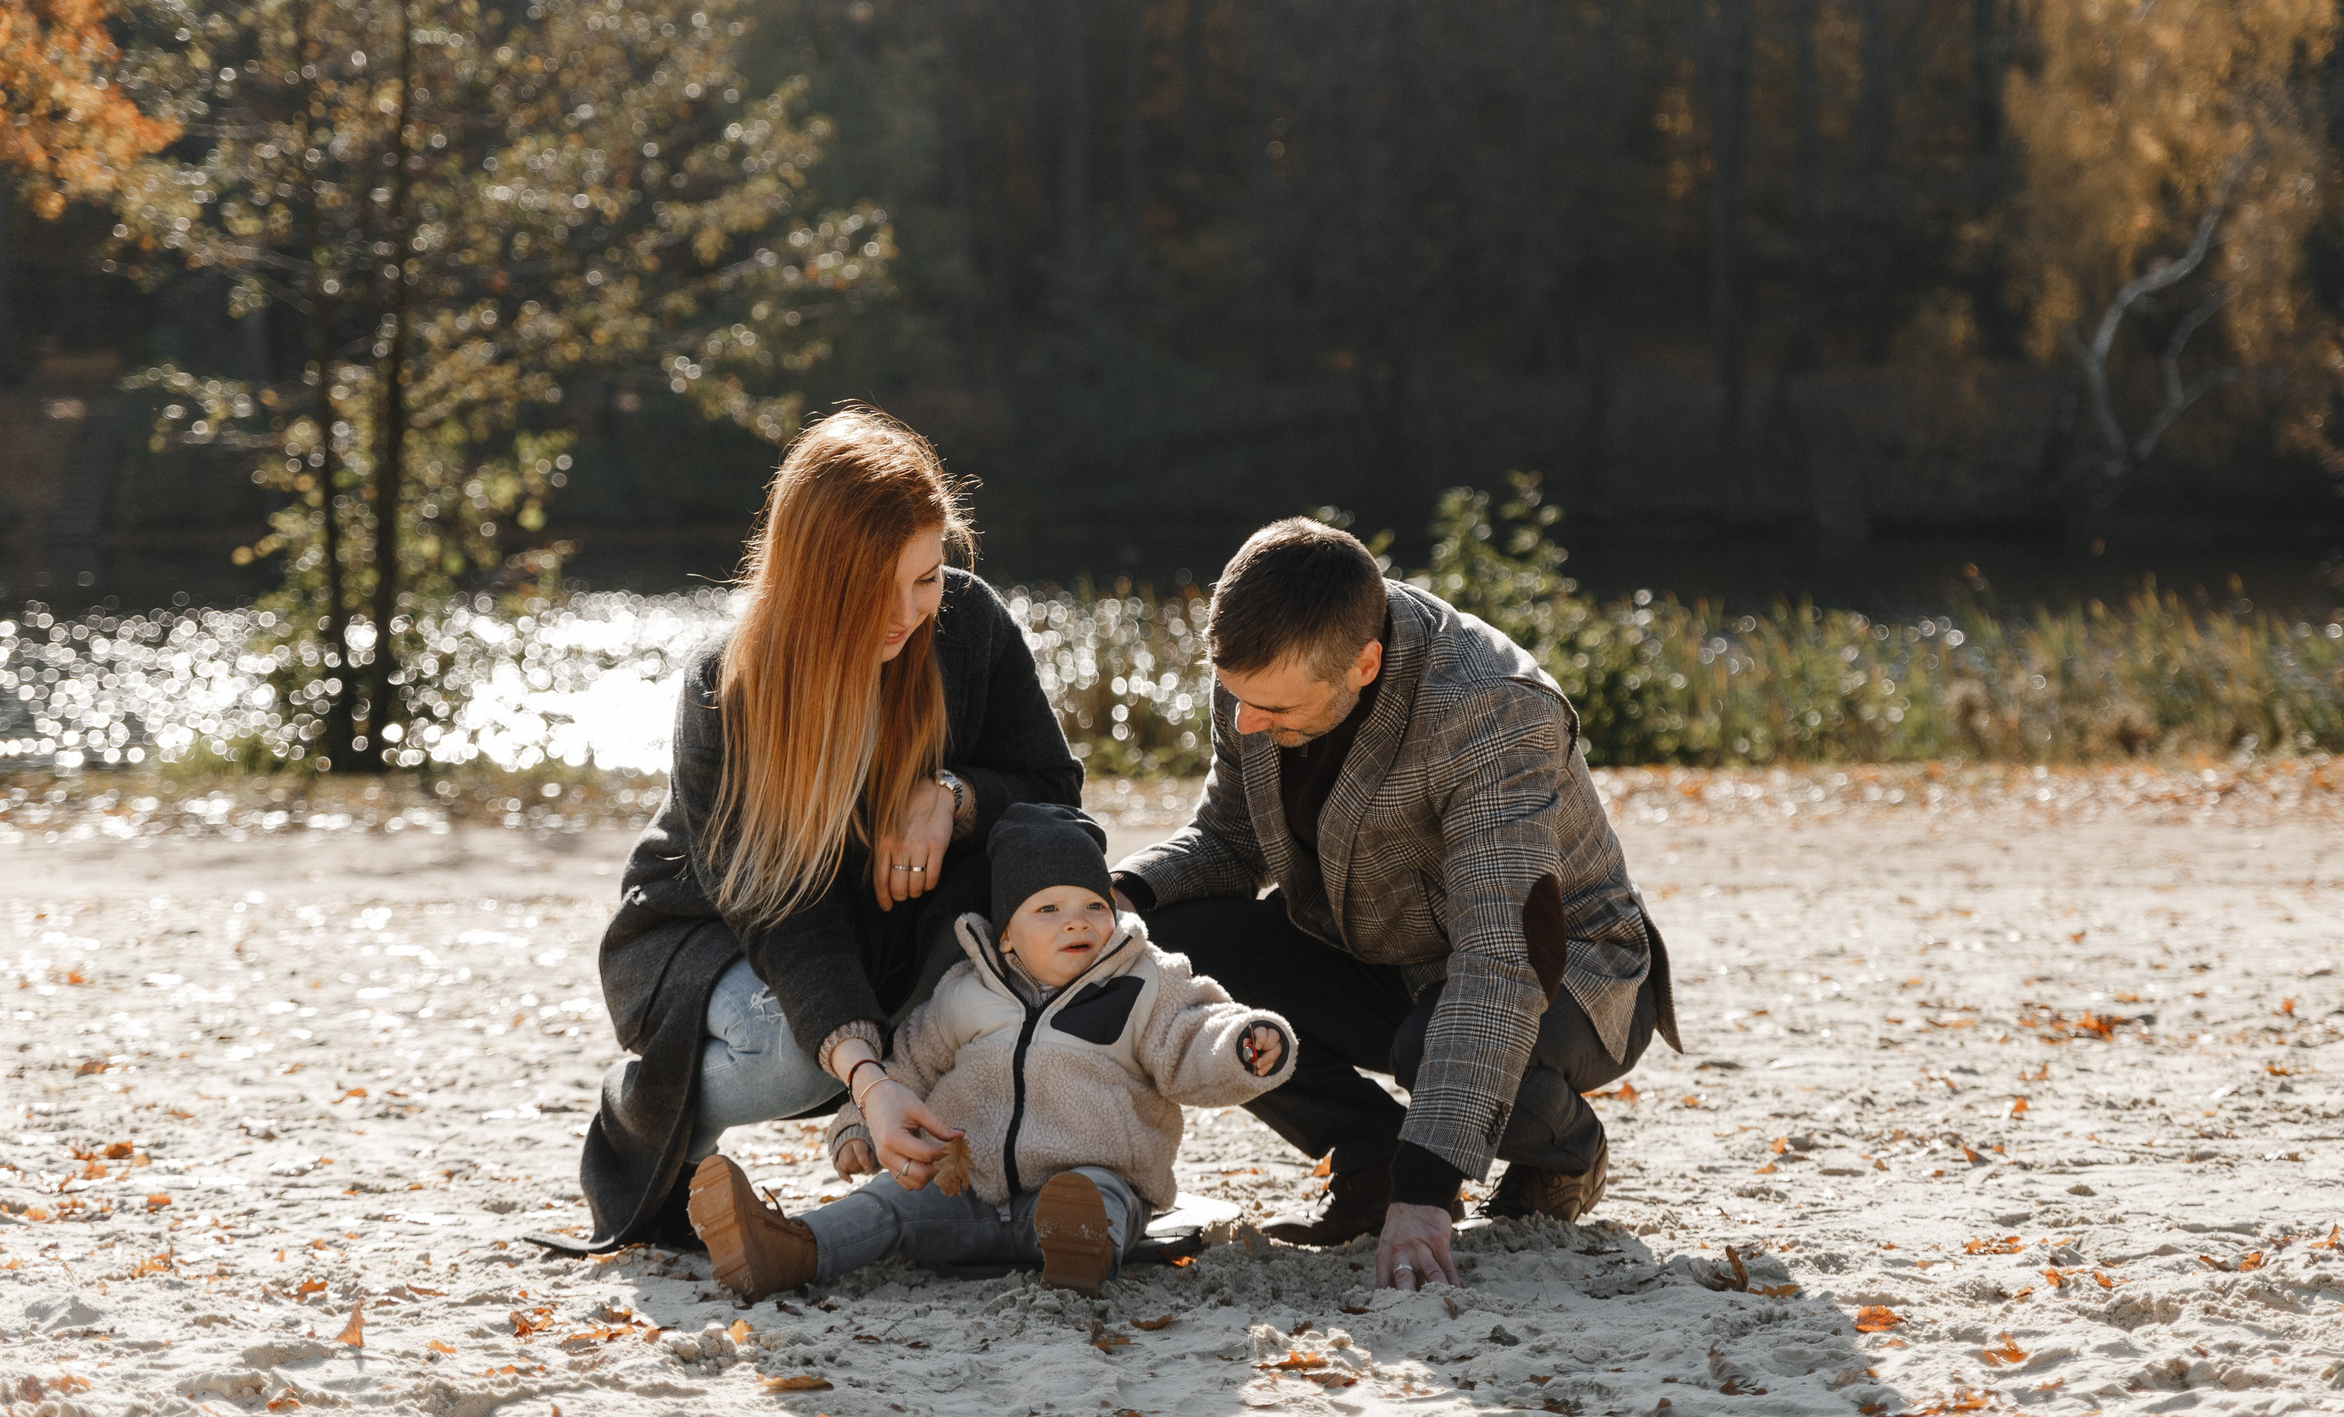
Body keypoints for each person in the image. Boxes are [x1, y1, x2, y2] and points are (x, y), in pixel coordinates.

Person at [541, 404, 1082, 1255]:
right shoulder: (731, 685)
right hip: (709, 930)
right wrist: (869, 1078)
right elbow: (781, 907)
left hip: (886, 930)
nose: (909, 613)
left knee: (1039, 925)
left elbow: (1057, 801)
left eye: (926, 576)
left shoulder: (967, 623)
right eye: (880, 587)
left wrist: (952, 794)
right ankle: (642, 1110)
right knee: (797, 1056)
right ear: (817, 580)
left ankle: (1008, 1176)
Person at [1111, 518, 1682, 1293]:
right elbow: (1230, 839)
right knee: (1171, 946)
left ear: (1365, 663)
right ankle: (1367, 1152)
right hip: (1379, 950)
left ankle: (1565, 1149)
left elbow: (1501, 961)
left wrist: (1426, 1194)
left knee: (1434, 1041)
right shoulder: (1258, 672)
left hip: (1564, 973)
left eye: (1270, 708)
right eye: (1237, 699)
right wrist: (1120, 893)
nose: (1245, 721)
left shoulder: (1490, 711)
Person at [689, 802, 1296, 1300]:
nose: (1076, 922)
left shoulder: (1145, 983)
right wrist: (857, 1126)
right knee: (885, 1204)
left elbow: (1193, 1034)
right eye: (1049, 909)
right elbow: (908, 1068)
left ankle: (1077, 1259)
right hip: (965, 1194)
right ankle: (789, 1249)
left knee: (1096, 1197)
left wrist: (1242, 1046)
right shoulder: (961, 994)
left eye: (1093, 906)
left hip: (1083, 1187)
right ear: (1006, 934)